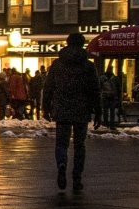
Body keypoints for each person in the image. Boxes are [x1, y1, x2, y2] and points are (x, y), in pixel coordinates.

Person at [45, 33, 100, 191]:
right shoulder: (88, 65)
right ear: (82, 44)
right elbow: (94, 90)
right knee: (79, 145)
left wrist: (46, 107)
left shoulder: (57, 64)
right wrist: (98, 111)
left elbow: (49, 87)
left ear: (67, 43)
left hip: (61, 109)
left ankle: (62, 165)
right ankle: (77, 177)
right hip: (81, 110)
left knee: (61, 143)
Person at [96, 66, 123, 132]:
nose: (110, 70)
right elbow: (119, 89)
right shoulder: (112, 78)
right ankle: (108, 125)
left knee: (110, 112)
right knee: (108, 112)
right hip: (108, 97)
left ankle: (109, 124)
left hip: (110, 97)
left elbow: (99, 88)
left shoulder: (103, 78)